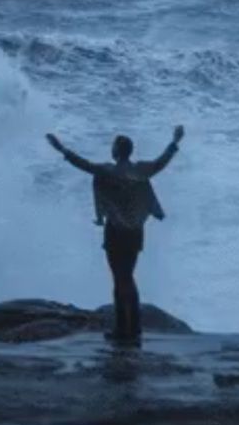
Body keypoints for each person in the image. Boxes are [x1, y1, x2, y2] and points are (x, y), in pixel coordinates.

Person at [46, 125, 185, 344]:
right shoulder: (141, 170)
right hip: (136, 231)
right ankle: (134, 326)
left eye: (113, 147)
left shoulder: (106, 171)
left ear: (116, 151)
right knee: (127, 276)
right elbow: (161, 162)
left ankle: (123, 329)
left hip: (115, 231)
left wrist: (61, 148)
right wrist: (175, 141)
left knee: (120, 278)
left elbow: (83, 164)